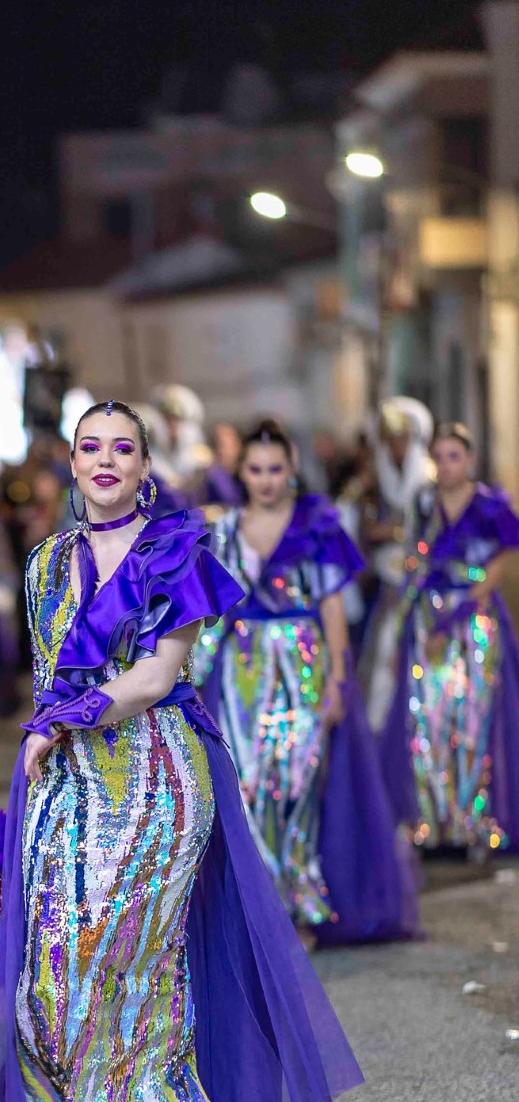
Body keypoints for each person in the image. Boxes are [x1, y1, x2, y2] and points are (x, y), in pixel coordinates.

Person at [0, 401, 362, 1102]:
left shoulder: (179, 552)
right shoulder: (45, 562)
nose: (105, 460)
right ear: (72, 463)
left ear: (143, 467)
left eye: (122, 448)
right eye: (90, 447)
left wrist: (63, 719)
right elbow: (47, 673)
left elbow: (157, 677)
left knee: (145, 951)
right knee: (53, 946)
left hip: (161, 770)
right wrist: (50, 731)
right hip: (66, 773)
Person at [197, 420, 417, 943]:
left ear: (292, 469)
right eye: (256, 469)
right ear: (241, 472)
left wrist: (339, 678)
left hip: (303, 665)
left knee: (299, 785)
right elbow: (211, 611)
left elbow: (333, 607)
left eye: (275, 469)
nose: (266, 479)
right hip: (243, 672)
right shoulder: (224, 531)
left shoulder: (316, 525)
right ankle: (259, 910)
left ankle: (299, 904)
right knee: (247, 786)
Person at [379, 422, 519, 856]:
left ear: (470, 459)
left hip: (474, 622)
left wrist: (470, 601)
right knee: (428, 716)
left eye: (454, 456)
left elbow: (503, 557)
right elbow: (414, 561)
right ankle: (433, 823)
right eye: (438, 457)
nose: (445, 465)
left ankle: (474, 823)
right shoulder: (424, 503)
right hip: (428, 616)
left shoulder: (490, 504)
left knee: (473, 717)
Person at [361, 398, 435, 729]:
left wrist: (397, 534)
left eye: (402, 438)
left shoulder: (429, 481)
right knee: (382, 654)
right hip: (386, 583)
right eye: (391, 439)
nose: (397, 446)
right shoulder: (377, 481)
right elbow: (367, 526)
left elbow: (432, 533)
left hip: (424, 586)